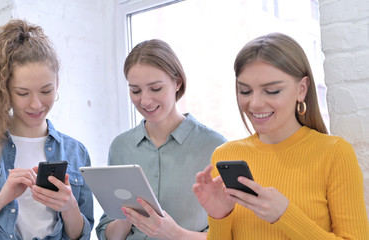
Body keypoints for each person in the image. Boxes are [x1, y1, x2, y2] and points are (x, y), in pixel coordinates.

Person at [193, 32, 369, 239]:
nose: (255, 103)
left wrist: (285, 215)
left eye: (272, 91)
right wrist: (219, 216)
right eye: (245, 91)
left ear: (301, 89)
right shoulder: (225, 154)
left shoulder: (334, 152)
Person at [0, 19, 94, 240]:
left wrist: (69, 206)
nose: (36, 104)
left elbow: (82, 235)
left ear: (57, 83)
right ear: (5, 90)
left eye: (46, 91)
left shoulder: (76, 152)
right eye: (23, 93)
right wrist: (1, 199)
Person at [95, 39, 226, 240]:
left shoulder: (214, 146)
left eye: (155, 88)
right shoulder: (120, 147)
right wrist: (128, 214)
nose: (145, 100)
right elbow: (108, 234)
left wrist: (175, 234)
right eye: (135, 90)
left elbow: (228, 234)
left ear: (177, 83)